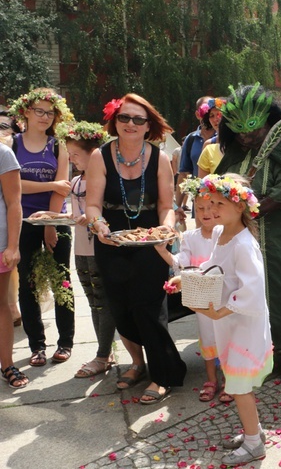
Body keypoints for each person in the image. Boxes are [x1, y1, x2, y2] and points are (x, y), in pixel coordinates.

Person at [87, 94, 187, 404]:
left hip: (150, 240)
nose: (130, 124)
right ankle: (138, 364)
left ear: (148, 126)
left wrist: (163, 231)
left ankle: (162, 375)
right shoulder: (99, 156)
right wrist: (99, 226)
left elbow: (166, 206)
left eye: (138, 119)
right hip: (111, 240)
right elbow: (92, 205)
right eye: (124, 118)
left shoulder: (158, 157)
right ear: (114, 122)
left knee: (147, 307)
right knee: (121, 308)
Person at [166, 173, 272, 465]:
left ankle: (254, 444)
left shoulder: (243, 244)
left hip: (243, 326)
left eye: (219, 203)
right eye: (208, 202)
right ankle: (255, 432)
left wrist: (220, 311)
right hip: (229, 323)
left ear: (240, 206)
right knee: (236, 382)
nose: (210, 209)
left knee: (239, 387)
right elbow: (213, 270)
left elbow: (252, 290)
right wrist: (186, 279)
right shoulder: (218, 234)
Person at [214, 83, 281, 382]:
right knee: (245, 293)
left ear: (268, 122)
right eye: (239, 132)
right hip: (242, 241)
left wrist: (249, 208)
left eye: (252, 131)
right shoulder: (233, 156)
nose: (246, 137)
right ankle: (255, 354)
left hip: (280, 238)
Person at [9, 88, 75, 367]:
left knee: (62, 280)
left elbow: (64, 187)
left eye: (50, 112)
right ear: (25, 111)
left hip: (54, 221)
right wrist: (49, 185)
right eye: (39, 110)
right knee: (28, 283)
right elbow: (13, 187)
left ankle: (65, 342)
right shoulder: (11, 145)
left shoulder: (58, 146)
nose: (44, 117)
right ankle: (37, 345)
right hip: (21, 222)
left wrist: (50, 221)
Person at [156, 180, 233, 403]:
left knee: (226, 338)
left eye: (211, 208)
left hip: (224, 298)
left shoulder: (224, 233)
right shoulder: (189, 237)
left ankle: (230, 380)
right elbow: (180, 262)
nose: (206, 213)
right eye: (200, 208)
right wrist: (163, 251)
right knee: (208, 337)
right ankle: (211, 380)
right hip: (203, 300)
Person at [64, 122, 118, 379]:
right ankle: (104, 351)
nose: (72, 160)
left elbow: (98, 211)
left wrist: (91, 217)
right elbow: (73, 215)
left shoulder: (101, 180)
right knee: (92, 300)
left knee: (102, 300)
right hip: (80, 248)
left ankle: (102, 353)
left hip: (98, 247)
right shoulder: (75, 181)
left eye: (75, 154)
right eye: (69, 154)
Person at [0, 142, 25, 388]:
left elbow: (14, 203)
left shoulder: (3, 153)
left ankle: (7, 364)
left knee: (1, 305)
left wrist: (13, 246)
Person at [176, 96, 215, 210]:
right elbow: (184, 174)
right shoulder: (191, 139)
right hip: (200, 203)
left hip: (223, 202)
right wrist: (177, 207)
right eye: (207, 112)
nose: (210, 116)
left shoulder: (224, 139)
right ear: (198, 114)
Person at [196, 98, 226, 177]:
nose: (216, 119)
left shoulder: (241, 142)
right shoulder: (208, 145)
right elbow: (203, 182)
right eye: (211, 116)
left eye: (219, 114)